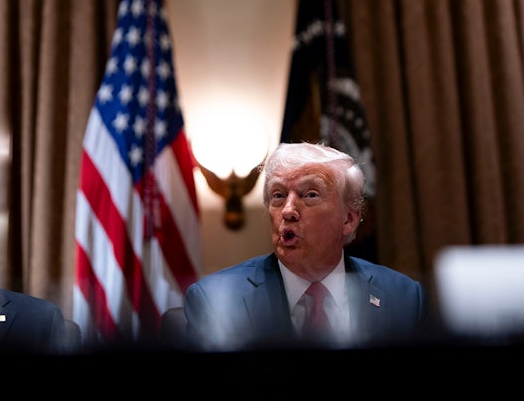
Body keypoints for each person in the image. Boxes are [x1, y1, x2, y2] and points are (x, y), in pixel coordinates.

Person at [183, 142, 427, 351]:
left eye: (310, 195)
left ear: (349, 220)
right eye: (278, 195)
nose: (288, 211)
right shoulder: (216, 301)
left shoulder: (403, 298)